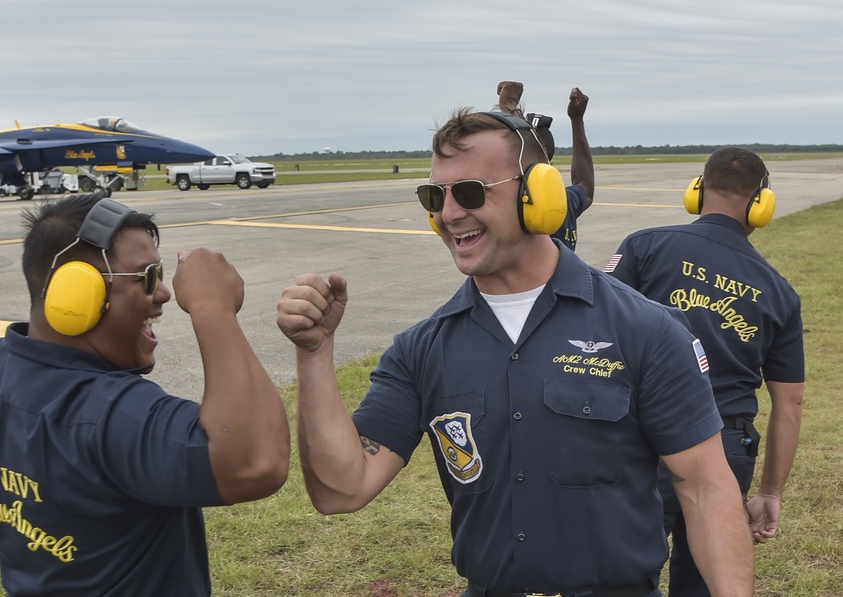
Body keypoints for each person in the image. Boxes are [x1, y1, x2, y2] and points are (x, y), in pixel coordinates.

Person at [277, 108, 753, 596]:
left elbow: (705, 489)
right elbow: (341, 489)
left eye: (469, 192)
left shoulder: (645, 330)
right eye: (434, 196)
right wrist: (314, 354)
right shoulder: (420, 349)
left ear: (537, 197)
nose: (448, 214)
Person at [0, 192, 290, 596]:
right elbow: (255, 463)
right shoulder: (115, 415)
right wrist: (212, 307)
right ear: (75, 292)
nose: (164, 293)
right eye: (147, 277)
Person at [606, 147, 805, 597]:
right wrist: (770, 492)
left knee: (619, 575)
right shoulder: (779, 290)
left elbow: (596, 335)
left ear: (696, 191)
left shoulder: (644, 245)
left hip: (641, 438)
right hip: (725, 445)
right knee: (705, 582)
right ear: (761, 203)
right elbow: (789, 403)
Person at [497, 81, 594, 250]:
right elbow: (585, 186)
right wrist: (576, 120)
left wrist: (508, 106)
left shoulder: (505, 205)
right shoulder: (562, 201)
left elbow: (519, 151)